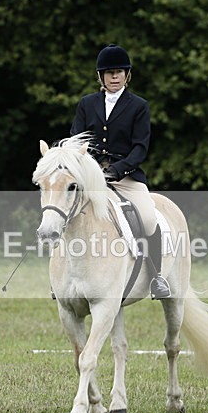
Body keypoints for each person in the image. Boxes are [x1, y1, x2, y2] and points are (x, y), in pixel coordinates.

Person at [70, 44, 171, 299]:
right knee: (66, 212)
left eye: (119, 72)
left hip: (126, 178)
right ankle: (64, 280)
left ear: (127, 75)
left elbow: (140, 149)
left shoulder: (139, 106)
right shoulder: (86, 104)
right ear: (100, 76)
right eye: (109, 72)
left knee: (148, 217)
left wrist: (117, 169)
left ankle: (157, 277)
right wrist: (90, 168)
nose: (114, 77)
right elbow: (76, 140)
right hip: (91, 178)